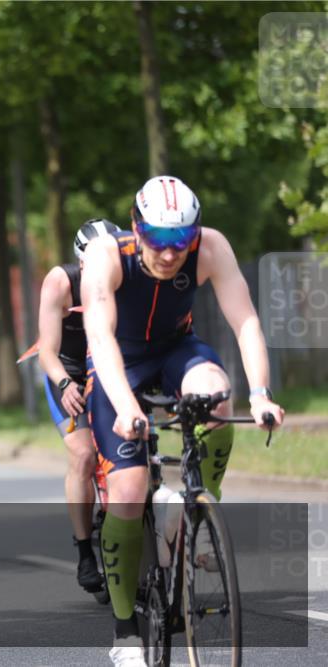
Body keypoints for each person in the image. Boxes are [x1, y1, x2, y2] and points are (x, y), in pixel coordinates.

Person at [81, 176, 284, 667]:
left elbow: (246, 321)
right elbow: (100, 339)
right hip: (118, 362)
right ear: (136, 226)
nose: (171, 253)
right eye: (159, 239)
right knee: (127, 492)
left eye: (181, 239)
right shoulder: (108, 255)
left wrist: (259, 394)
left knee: (217, 393)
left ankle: (197, 512)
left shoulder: (210, 247)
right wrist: (129, 406)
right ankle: (125, 628)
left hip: (176, 349)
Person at [37, 218, 120, 593]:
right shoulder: (60, 282)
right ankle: (85, 550)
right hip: (67, 369)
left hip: (109, 365)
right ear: (80, 263)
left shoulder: (130, 278)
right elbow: (47, 353)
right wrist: (65, 382)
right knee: (84, 455)